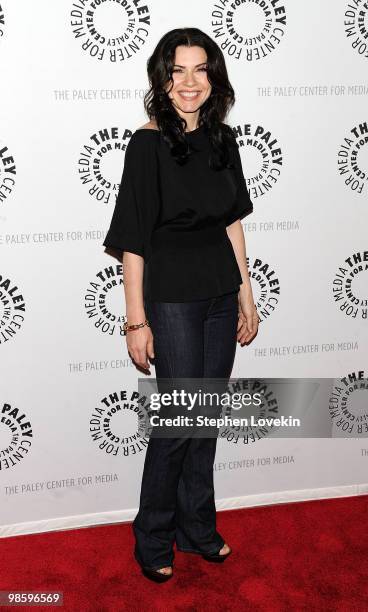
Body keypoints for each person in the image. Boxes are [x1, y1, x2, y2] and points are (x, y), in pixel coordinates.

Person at [102, 27, 259, 583]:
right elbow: (132, 239)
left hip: (220, 290)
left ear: (213, 76)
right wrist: (136, 320)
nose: (189, 82)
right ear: (162, 77)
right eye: (178, 70)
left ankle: (197, 525)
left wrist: (246, 293)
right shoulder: (145, 144)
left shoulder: (223, 139)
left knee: (206, 419)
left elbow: (232, 222)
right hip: (170, 299)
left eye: (200, 69)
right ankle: (153, 534)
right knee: (177, 422)